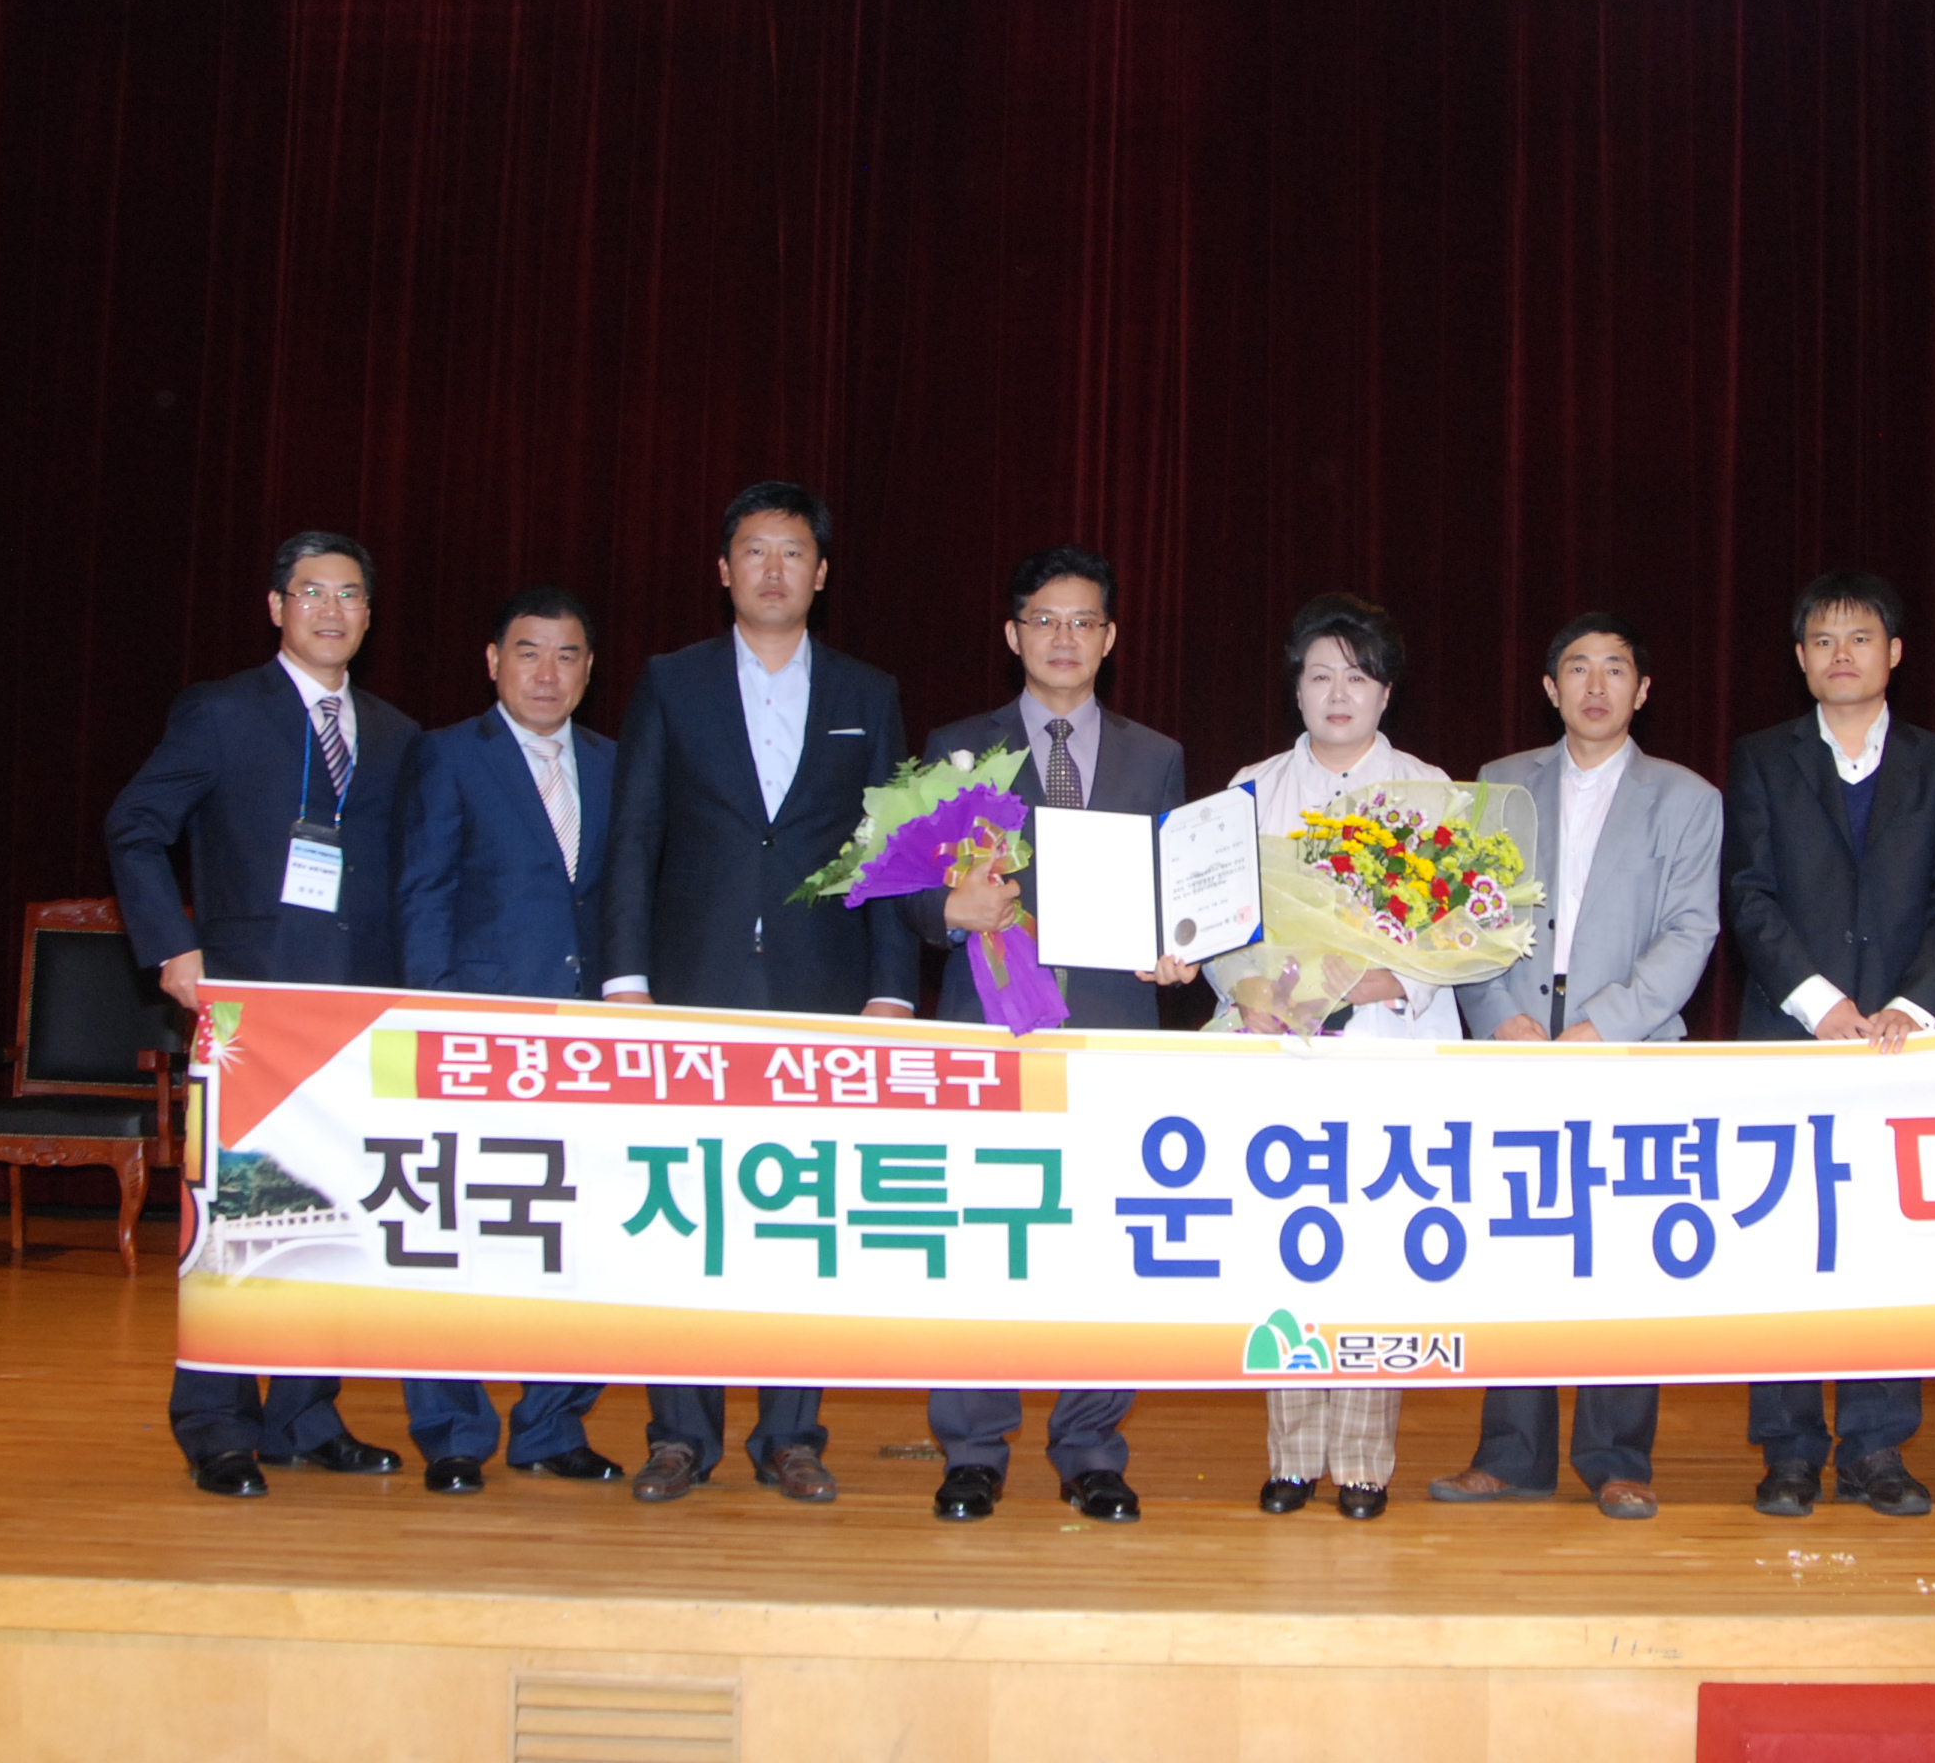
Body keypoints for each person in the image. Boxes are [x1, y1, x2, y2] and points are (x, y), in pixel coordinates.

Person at [601, 482, 919, 1507]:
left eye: (792, 553)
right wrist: (625, 977)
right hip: (690, 985)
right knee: (681, 1209)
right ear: (723, 569)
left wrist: (891, 990)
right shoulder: (671, 681)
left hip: (821, 989)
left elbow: (890, 850)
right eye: (754, 550)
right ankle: (678, 1435)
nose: (773, 569)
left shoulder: (867, 691)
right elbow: (634, 834)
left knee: (805, 1213)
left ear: (821, 574)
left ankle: (791, 1434)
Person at [104, 530, 420, 1498]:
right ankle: (217, 1424)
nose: (331, 610)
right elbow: (135, 826)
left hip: (358, 1018)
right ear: (276, 607)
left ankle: (304, 1416)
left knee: (336, 1219)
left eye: (349, 595)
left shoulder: (397, 734)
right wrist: (172, 947)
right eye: (311, 592)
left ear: (369, 615)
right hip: (250, 1014)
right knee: (239, 1223)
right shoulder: (222, 711)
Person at [901, 545, 1191, 1525]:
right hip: (988, 1028)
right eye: (1044, 620)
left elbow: (1178, 895)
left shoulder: (1156, 756)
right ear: (1013, 633)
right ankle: (972, 1450)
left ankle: (1091, 1448)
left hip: (1112, 1031)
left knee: (1107, 1244)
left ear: (1109, 639)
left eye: (1083, 622)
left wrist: (1181, 948)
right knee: (979, 1237)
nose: (1063, 638)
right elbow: (905, 894)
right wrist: (950, 910)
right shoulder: (956, 748)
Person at [1427, 613, 1723, 1522]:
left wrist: (1606, 1026)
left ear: (1643, 689)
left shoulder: (1688, 798)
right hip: (1516, 1043)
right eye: (1578, 670)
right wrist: (1497, 1015)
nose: (1597, 686)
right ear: (1551, 689)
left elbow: (1691, 931)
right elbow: (1460, 915)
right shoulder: (1499, 783)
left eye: (1616, 669)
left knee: (1623, 1257)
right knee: (1516, 1246)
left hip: (1625, 1048)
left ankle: (1617, 1458)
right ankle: (1511, 1456)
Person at [1719, 571, 1935, 1522]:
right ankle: (1788, 1450)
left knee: (1888, 1242)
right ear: (1801, 659)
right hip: (1792, 1034)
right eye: (1824, 640)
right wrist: (1820, 1002)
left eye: (1860, 638)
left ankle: (1877, 1447)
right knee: (1783, 1240)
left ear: (1893, 653)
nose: (1842, 654)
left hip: (1903, 1045)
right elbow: (1748, 891)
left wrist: (1912, 1005)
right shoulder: (1761, 757)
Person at [1222, 595, 1462, 1523]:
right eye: (1320, 674)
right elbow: (1217, 923)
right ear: (1296, 687)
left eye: (1356, 677)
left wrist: (1378, 981)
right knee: (1288, 1246)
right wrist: (1249, 990)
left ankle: (1363, 1462)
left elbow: (1456, 933)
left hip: (1385, 1049)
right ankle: (1291, 1457)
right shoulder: (1251, 789)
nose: (1337, 693)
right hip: (1279, 1048)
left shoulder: (1431, 791)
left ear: (1386, 692)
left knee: (1371, 1251)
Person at [389, 585, 623, 1495]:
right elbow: (424, 892)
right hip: (475, 1034)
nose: (547, 673)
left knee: (581, 1235)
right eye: (528, 652)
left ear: (589, 669)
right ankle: (452, 1431)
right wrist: (436, 1019)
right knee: (453, 1236)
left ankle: (552, 1425)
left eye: (567, 655)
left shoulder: (613, 762)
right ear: (493, 662)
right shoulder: (448, 755)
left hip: (589, 1040)